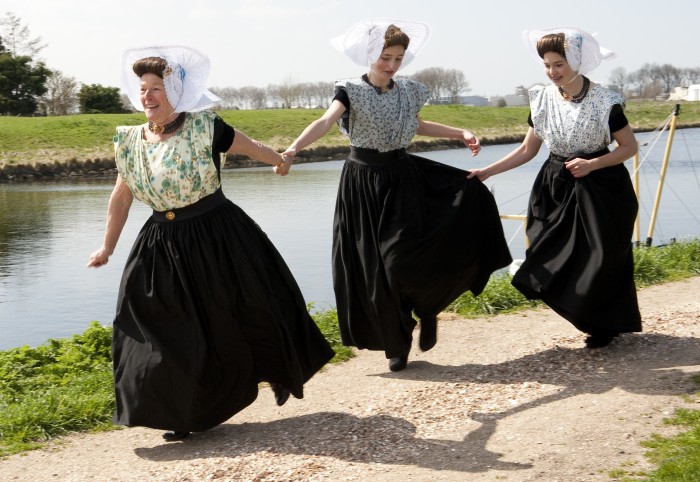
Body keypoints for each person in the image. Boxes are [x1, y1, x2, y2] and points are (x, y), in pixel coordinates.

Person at [87, 46, 334, 441]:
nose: (147, 96)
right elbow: (121, 196)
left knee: (240, 314)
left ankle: (270, 371)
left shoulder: (206, 127)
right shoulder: (129, 141)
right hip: (160, 245)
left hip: (216, 236)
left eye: (156, 88)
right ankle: (181, 410)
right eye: (143, 88)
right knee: (156, 328)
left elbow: (254, 147)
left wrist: (280, 161)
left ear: (176, 93)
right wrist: (107, 247)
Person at [281, 19, 512, 372]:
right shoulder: (349, 90)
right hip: (362, 183)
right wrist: (294, 149)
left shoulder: (407, 90)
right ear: (370, 54)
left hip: (404, 177)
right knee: (377, 269)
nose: (390, 65)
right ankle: (397, 342)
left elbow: (417, 125)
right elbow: (326, 122)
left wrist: (460, 131)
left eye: (398, 58)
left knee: (404, 255)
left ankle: (428, 307)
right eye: (385, 57)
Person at [468, 28, 642, 348]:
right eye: (547, 65)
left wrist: (592, 164)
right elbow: (527, 150)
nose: (552, 72)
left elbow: (629, 147)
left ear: (576, 60)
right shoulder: (542, 99)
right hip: (555, 186)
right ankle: (589, 317)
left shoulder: (606, 101)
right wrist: (487, 172)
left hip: (602, 187)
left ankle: (603, 326)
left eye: (559, 64)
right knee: (547, 255)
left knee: (600, 257)